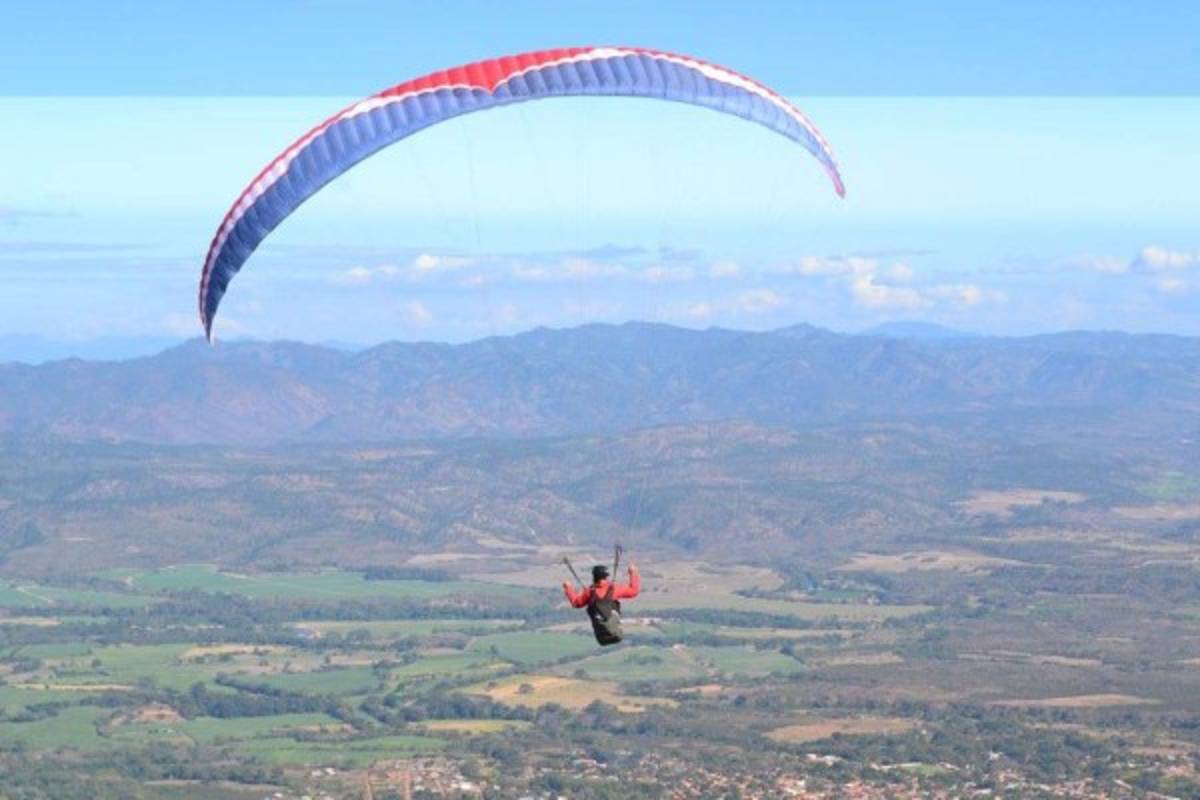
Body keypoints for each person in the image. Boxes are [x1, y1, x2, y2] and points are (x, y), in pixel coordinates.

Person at [563, 561, 640, 646]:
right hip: (616, 634)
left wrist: (568, 588)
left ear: (594, 578)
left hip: (601, 638)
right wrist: (633, 572)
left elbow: (576, 603)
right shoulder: (613, 589)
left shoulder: (589, 593)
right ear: (605, 577)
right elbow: (634, 591)